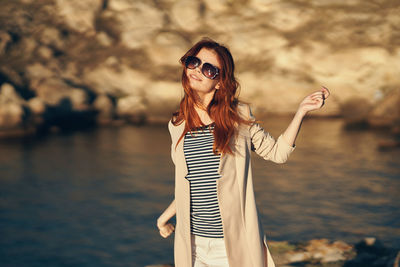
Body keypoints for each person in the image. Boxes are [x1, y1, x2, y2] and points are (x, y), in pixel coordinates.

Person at [156, 38, 330, 267]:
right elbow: (191, 185)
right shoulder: (177, 124)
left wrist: (301, 112)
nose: (197, 69)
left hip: (228, 246)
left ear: (219, 82)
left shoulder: (238, 118)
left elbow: (278, 153)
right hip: (192, 245)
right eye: (193, 62)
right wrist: (164, 218)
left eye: (208, 69)